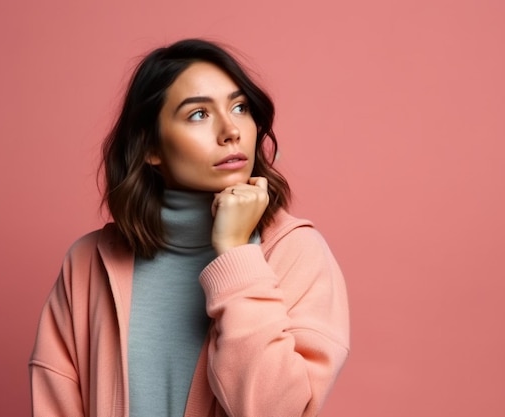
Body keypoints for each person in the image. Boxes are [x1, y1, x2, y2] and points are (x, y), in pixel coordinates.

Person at [29, 38, 349, 417]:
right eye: (198, 114)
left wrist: (235, 252)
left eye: (240, 107)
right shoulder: (87, 263)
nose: (231, 130)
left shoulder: (296, 252)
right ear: (150, 147)